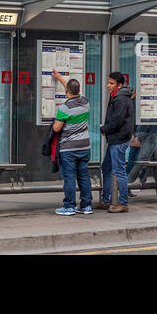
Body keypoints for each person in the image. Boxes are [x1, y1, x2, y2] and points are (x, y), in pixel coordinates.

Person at [51, 69, 92, 216]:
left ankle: (69, 206)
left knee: (69, 177)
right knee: (83, 176)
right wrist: (60, 78)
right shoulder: (85, 102)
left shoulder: (64, 108)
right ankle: (86, 205)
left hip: (69, 148)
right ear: (79, 90)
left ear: (67, 92)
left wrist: (55, 119)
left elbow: (57, 128)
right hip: (85, 146)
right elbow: (72, 90)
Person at [98, 71, 135, 212]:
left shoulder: (120, 98)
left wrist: (104, 129)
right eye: (108, 82)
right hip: (117, 138)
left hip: (118, 139)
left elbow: (117, 120)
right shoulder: (120, 96)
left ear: (119, 85)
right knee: (106, 168)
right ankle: (106, 200)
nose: (108, 86)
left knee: (119, 171)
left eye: (111, 83)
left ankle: (123, 203)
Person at [126, 126, 157, 198]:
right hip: (148, 133)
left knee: (154, 160)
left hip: (144, 132)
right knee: (141, 162)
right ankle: (125, 186)